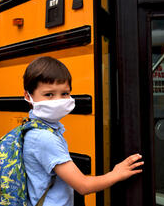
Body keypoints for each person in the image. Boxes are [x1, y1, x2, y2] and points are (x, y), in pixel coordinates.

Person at [23, 56, 144, 206]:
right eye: (49, 95)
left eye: (65, 94)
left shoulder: (34, 128)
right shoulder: (44, 138)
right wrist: (116, 174)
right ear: (28, 96)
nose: (58, 101)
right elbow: (83, 186)